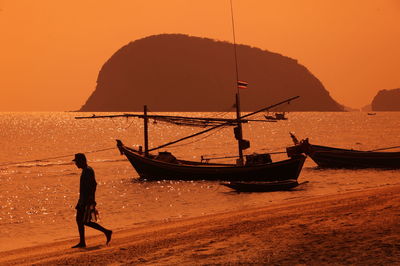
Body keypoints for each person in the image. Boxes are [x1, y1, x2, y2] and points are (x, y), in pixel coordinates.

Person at [72, 153, 112, 248]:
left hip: (86, 200)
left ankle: (106, 231)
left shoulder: (88, 171)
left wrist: (91, 199)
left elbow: (93, 185)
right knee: (79, 220)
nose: (76, 164)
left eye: (77, 162)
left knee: (85, 221)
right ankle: (82, 242)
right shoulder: (85, 170)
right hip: (82, 200)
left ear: (82, 161)